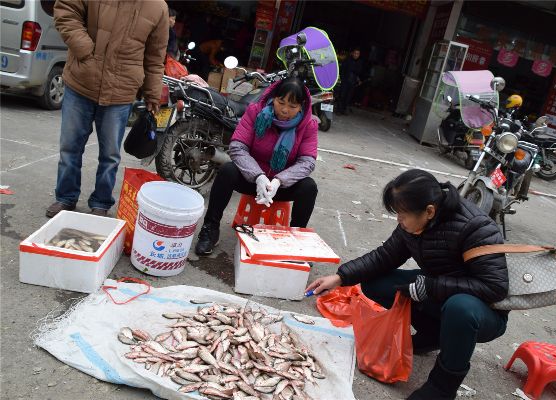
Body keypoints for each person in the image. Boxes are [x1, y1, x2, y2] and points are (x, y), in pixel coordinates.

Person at [306, 169, 509, 400]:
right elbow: (385, 256)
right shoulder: (415, 222)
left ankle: (443, 387)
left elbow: (495, 287)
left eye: (402, 215)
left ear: (429, 211)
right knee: (375, 283)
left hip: (481, 313)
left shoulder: (476, 227)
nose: (398, 221)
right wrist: (341, 277)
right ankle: (433, 335)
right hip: (440, 291)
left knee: (459, 308)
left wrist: (430, 287)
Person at [46, 0, 169, 218]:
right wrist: (84, 50)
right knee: (70, 148)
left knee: (110, 155)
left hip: (120, 91)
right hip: (81, 81)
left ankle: (101, 203)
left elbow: (155, 57)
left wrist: (152, 94)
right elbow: (66, 10)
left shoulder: (158, 7)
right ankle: (65, 198)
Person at [195, 77, 319, 255]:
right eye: (280, 102)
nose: (284, 110)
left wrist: (278, 181)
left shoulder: (309, 125)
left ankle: (295, 241)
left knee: (309, 187)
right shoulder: (255, 112)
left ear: (302, 106)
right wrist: (258, 176)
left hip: (280, 186)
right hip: (252, 180)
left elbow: (307, 162)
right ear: (273, 97)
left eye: (292, 106)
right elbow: (238, 147)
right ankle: (210, 229)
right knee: (227, 171)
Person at [337, 47, 364, 115]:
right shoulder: (347, 60)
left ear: (359, 55)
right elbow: (342, 69)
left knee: (348, 97)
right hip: (345, 81)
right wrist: (342, 79)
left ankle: (344, 110)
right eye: (355, 53)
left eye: (357, 54)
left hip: (352, 82)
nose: (356, 55)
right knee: (342, 95)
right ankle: (339, 110)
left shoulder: (359, 62)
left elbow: (359, 71)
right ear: (352, 53)